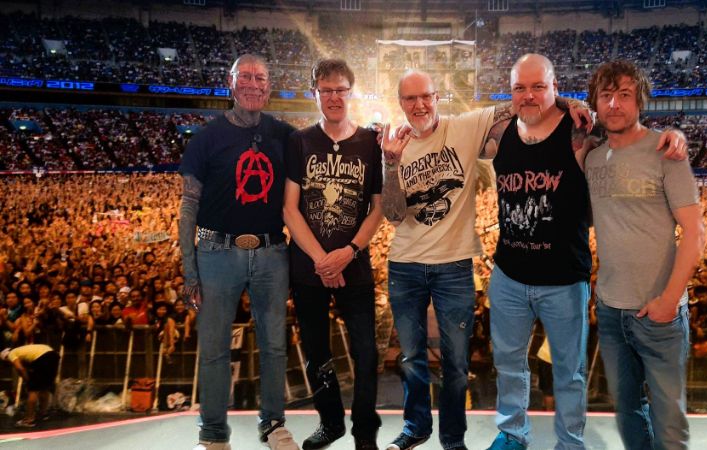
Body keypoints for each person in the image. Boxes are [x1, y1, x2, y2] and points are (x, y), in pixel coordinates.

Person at [480, 55, 687, 450]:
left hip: (564, 279)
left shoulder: (581, 133)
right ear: (510, 92)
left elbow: (628, 135)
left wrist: (674, 135)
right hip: (508, 275)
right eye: (520, 88)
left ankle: (570, 442)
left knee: (569, 371)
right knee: (508, 362)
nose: (528, 95)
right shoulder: (499, 131)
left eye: (539, 87)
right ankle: (512, 434)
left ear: (555, 87)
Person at [379, 68, 591, 450]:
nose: (419, 105)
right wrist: (391, 164)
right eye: (410, 98)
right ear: (401, 103)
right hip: (406, 265)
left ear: (437, 97)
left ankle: (453, 439)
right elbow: (393, 215)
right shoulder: (395, 146)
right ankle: (416, 427)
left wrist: (566, 101)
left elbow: (522, 103)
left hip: (455, 264)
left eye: (426, 96)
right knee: (411, 358)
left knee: (457, 364)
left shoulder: (466, 126)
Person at [178, 53, 297, 450]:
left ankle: (274, 425)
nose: (252, 84)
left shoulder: (285, 135)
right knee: (214, 350)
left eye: (260, 78)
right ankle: (213, 435)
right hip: (216, 253)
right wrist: (189, 271)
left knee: (275, 346)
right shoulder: (206, 137)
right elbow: (188, 206)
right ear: (230, 82)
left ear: (269, 86)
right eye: (244, 76)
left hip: (271, 252)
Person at [585, 60, 705, 450]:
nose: (614, 104)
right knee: (628, 412)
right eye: (606, 95)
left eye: (624, 95)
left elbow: (695, 233)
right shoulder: (591, 158)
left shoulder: (666, 152)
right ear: (594, 103)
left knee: (669, 422)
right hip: (611, 310)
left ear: (640, 101)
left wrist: (669, 301)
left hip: (659, 314)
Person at [283, 58, 383, 450]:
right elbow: (290, 208)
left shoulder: (370, 143)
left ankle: (364, 431)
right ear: (315, 94)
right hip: (309, 268)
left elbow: (377, 209)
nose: (334, 97)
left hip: (354, 265)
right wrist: (323, 261)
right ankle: (330, 423)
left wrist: (348, 251)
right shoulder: (299, 141)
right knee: (317, 352)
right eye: (326, 90)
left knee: (366, 353)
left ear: (351, 92)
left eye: (340, 89)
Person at [1, 344, 60, 427]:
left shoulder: (11, 354)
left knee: (33, 390)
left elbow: (20, 368)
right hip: (53, 355)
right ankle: (43, 414)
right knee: (44, 387)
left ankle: (29, 420)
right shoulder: (22, 351)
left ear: (6, 357)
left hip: (42, 358)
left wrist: (28, 381)